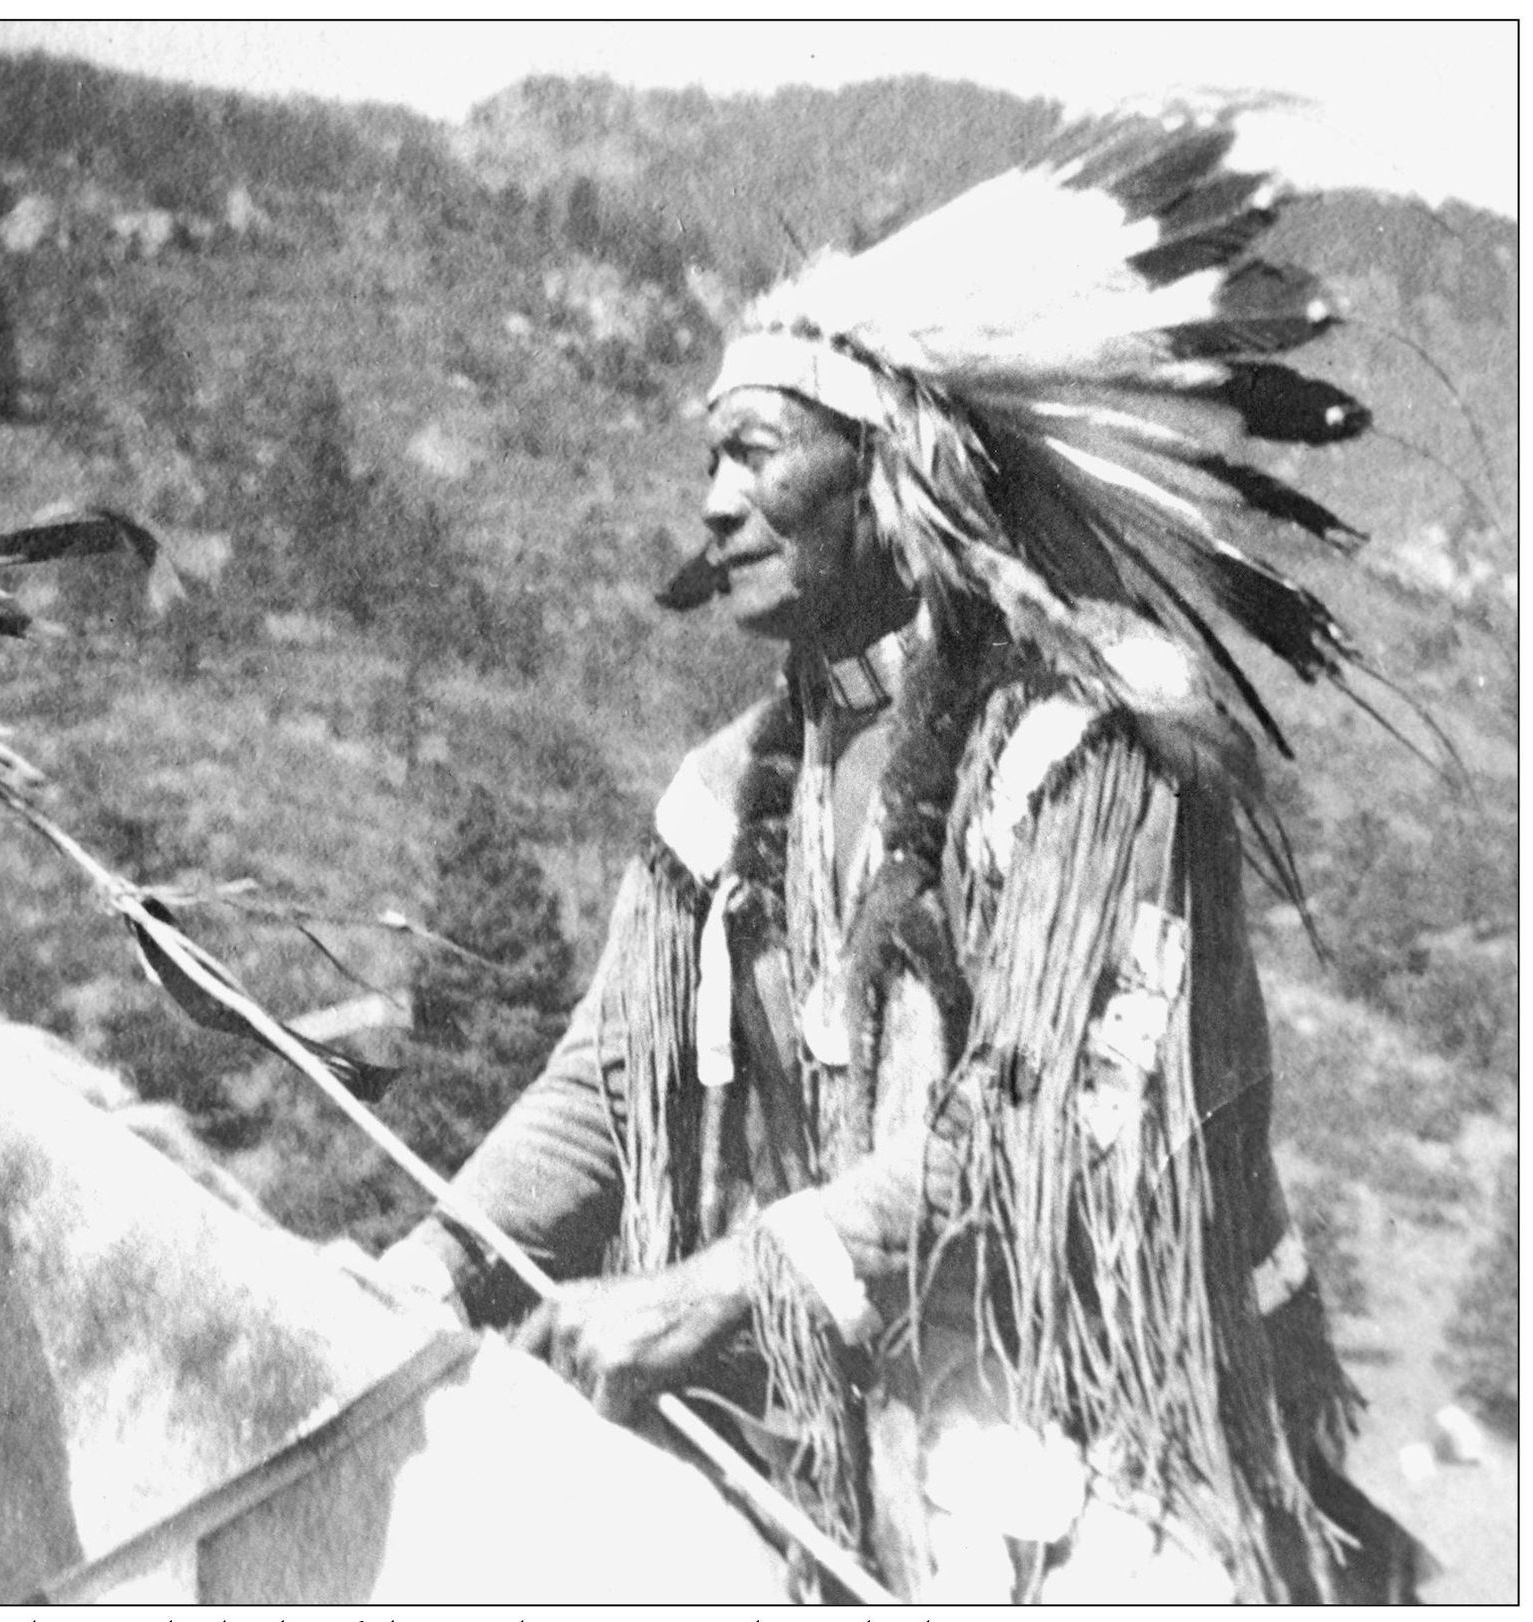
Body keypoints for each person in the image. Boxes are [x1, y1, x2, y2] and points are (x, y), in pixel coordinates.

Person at [382, 114, 1424, 1603]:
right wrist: (429, 1258)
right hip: (836, 1444)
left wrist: (718, 1283)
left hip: (1091, 1435)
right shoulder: (719, 799)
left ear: (889, 477)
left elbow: (1038, 1131)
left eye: (751, 451)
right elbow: (610, 1087)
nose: (711, 500)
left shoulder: (1085, 756)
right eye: (704, 461)